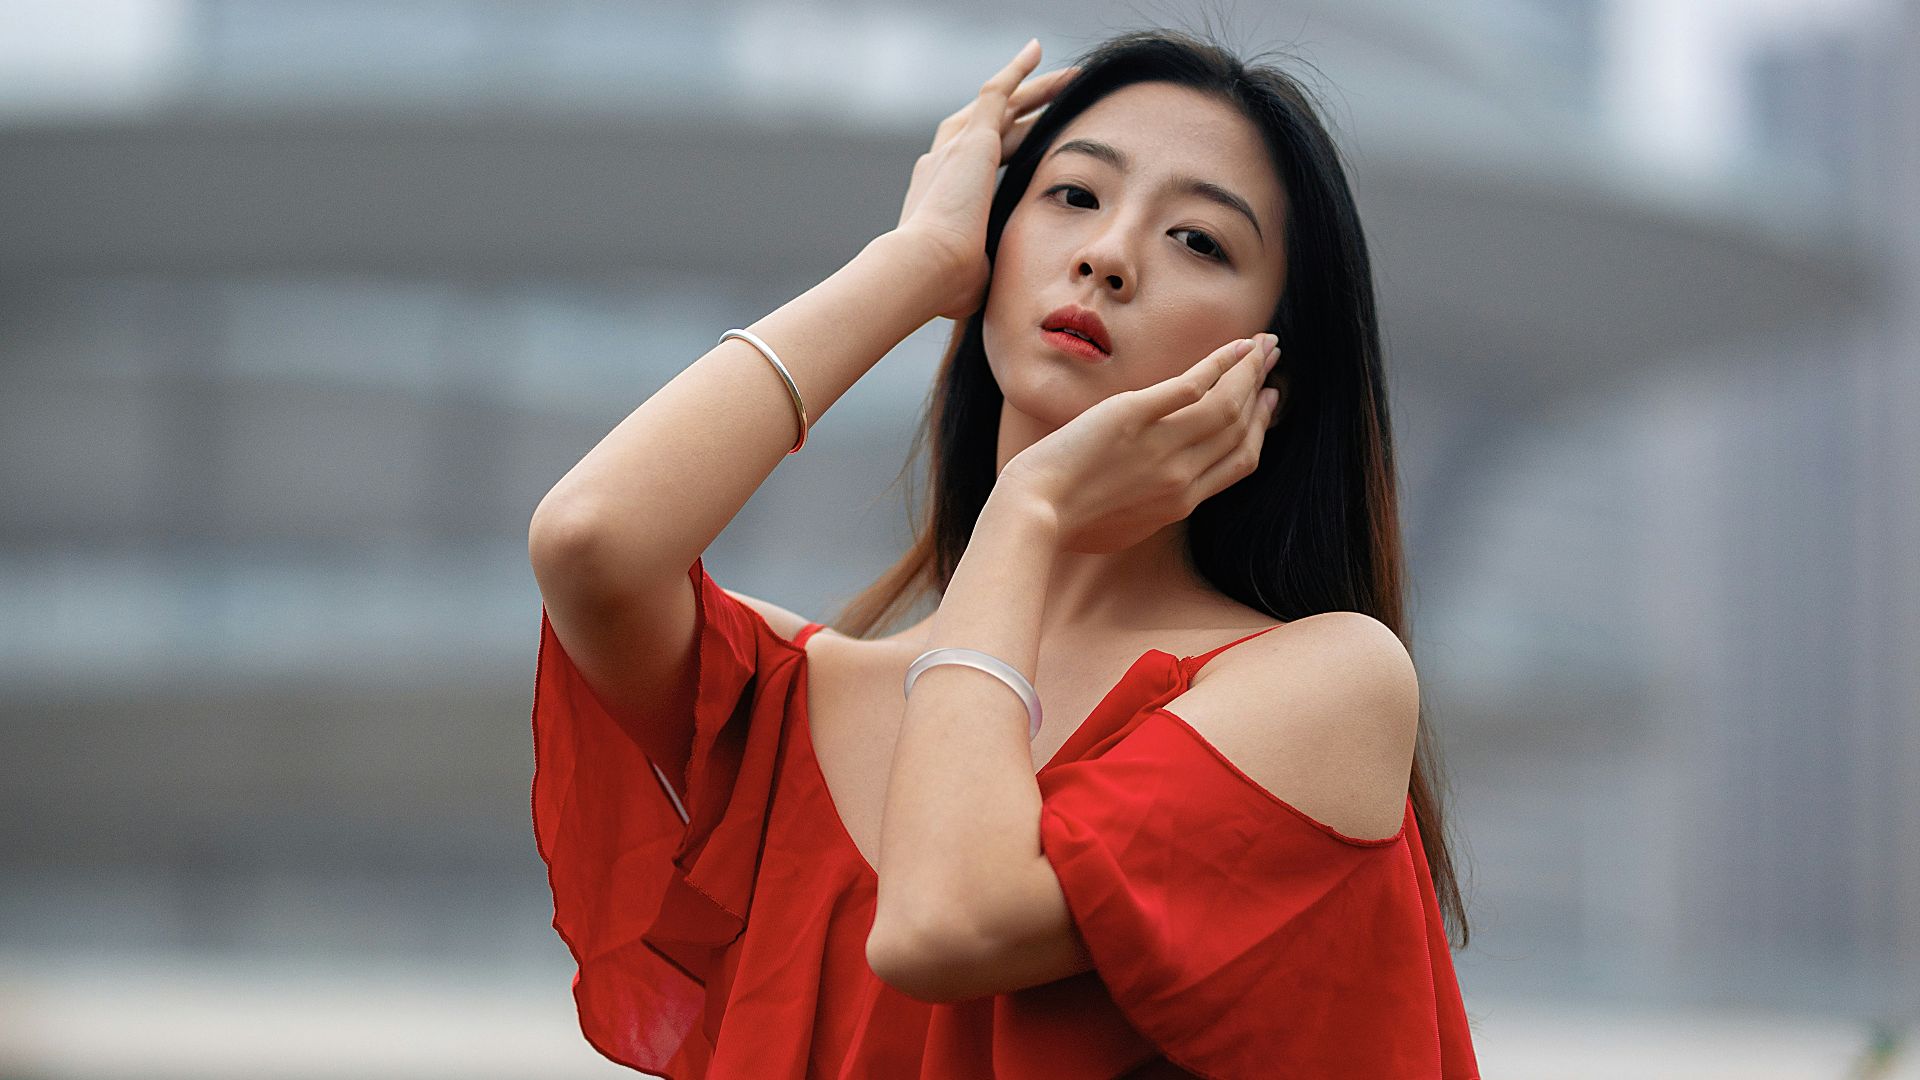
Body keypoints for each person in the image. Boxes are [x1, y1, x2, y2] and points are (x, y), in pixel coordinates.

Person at [527, 26, 1480, 1080]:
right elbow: (591, 539)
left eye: (1200, 242)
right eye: (1073, 196)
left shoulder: (1325, 684)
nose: (1109, 255)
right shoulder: (798, 701)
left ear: (1270, 378)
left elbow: (943, 923)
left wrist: (1030, 511)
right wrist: (915, 262)